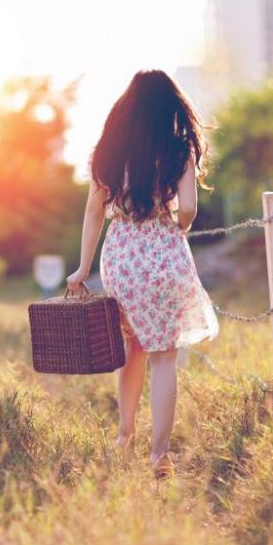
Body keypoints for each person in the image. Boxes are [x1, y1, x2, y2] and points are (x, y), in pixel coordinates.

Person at [66, 69, 219, 479]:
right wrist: (177, 226)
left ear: (127, 107)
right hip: (164, 256)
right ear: (171, 107)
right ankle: (159, 456)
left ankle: (125, 433)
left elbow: (93, 211)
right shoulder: (179, 150)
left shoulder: (110, 152)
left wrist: (82, 267)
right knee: (164, 357)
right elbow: (187, 210)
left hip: (121, 260)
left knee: (132, 347)